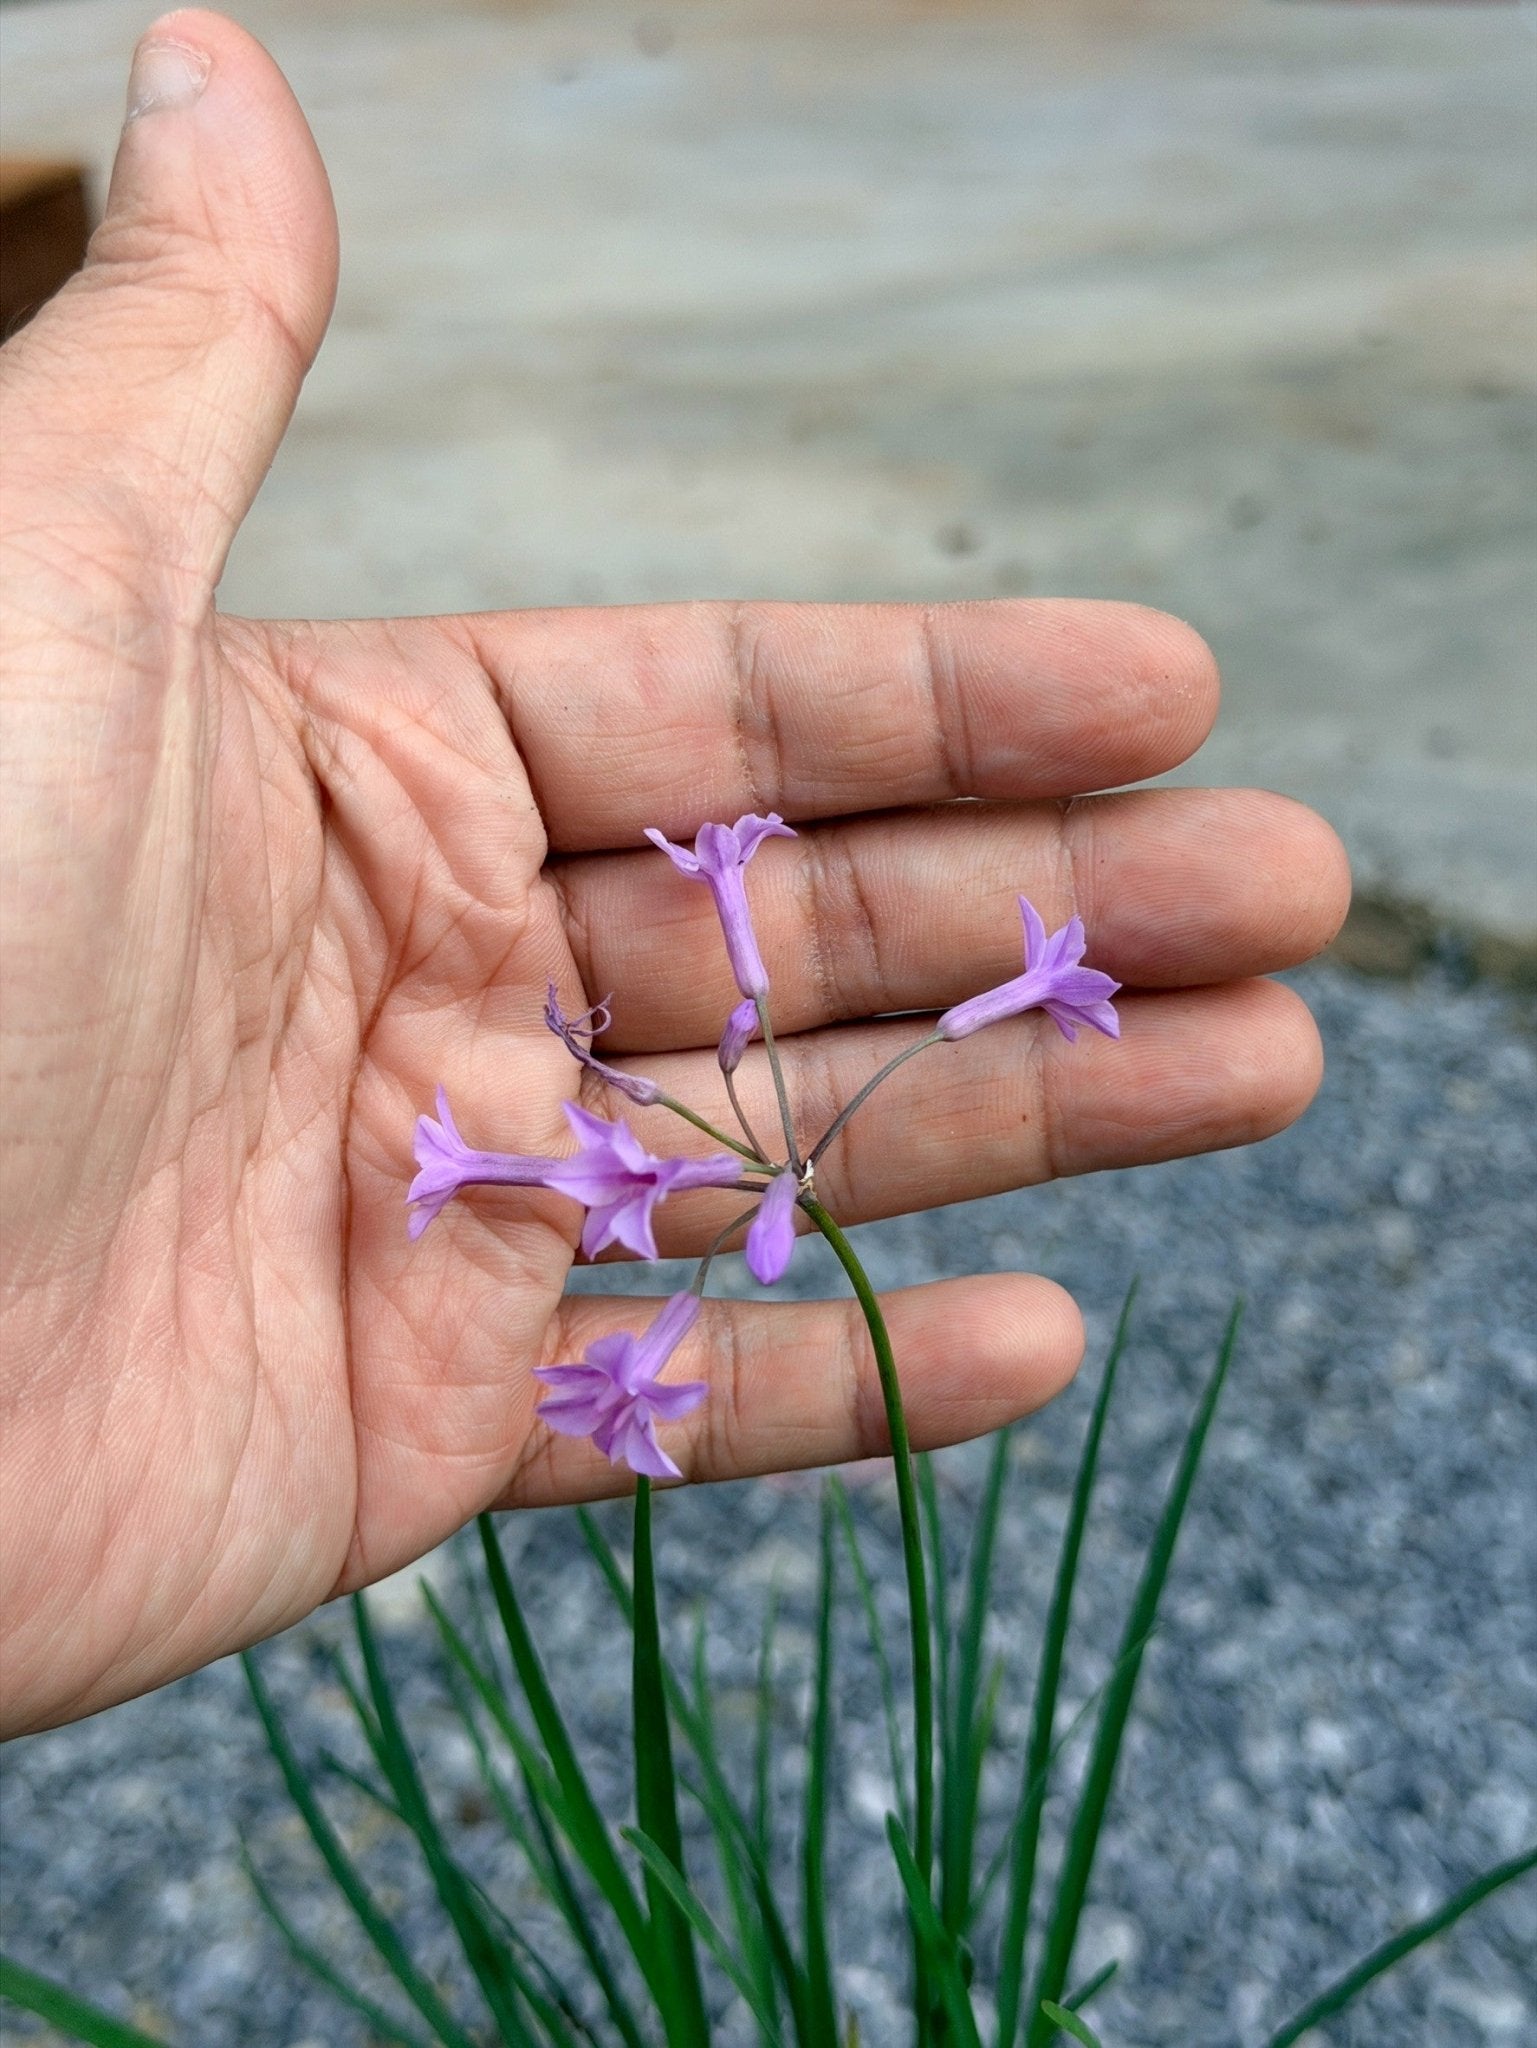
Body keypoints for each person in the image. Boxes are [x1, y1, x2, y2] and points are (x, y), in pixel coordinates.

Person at [0, 10, 1350, 1739]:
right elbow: (673, 1198)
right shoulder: (656, 1152)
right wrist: (605, 1151)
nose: (629, 1193)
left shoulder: (699, 1118)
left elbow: (702, 1202)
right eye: (625, 1191)